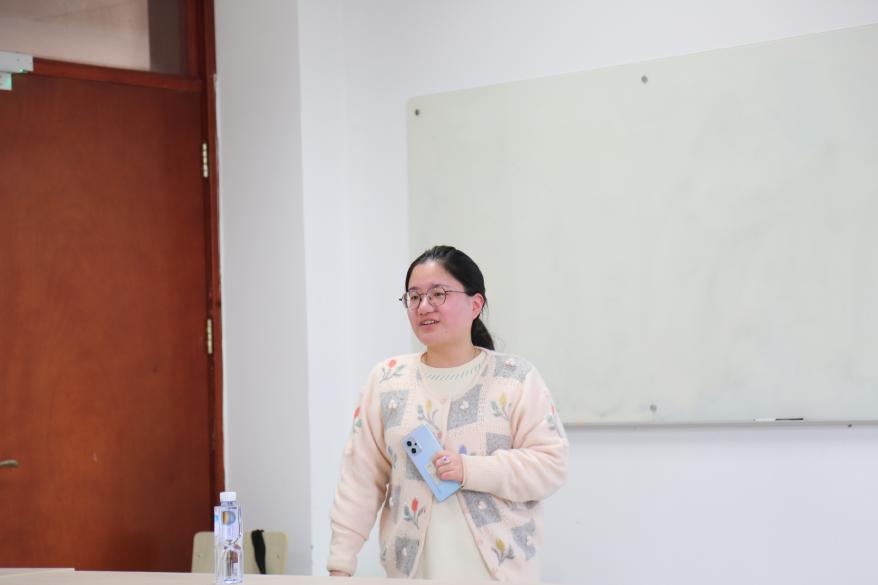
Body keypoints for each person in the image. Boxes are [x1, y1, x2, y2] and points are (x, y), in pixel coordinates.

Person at [327, 245, 568, 581]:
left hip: (499, 575)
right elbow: (360, 478)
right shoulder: (387, 380)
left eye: (438, 294)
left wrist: (469, 469)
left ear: (475, 304)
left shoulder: (515, 378)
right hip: (412, 574)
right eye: (414, 297)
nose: (424, 306)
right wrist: (340, 564)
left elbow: (550, 465)